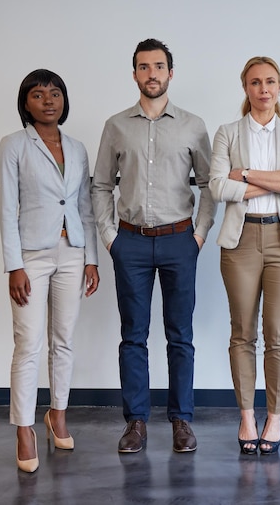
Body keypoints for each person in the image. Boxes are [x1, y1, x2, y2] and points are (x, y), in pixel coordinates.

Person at [91, 39, 215, 454]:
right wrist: (110, 238)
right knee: (134, 336)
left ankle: (181, 420)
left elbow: (208, 186)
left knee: (181, 336)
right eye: (144, 67)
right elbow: (102, 185)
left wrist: (198, 236)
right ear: (134, 75)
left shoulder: (193, 125)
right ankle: (136, 422)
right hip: (131, 244)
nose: (152, 74)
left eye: (158, 66)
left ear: (170, 73)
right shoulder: (116, 125)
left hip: (180, 240)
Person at [0, 69, 99, 472]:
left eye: (54, 94)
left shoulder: (77, 148)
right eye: (38, 95)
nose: (48, 101)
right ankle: (24, 428)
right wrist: (14, 265)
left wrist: (90, 257)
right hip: (31, 256)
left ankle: (57, 413)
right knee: (28, 344)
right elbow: (6, 209)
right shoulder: (13, 146)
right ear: (26, 103)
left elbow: (85, 207)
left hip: (72, 251)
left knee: (64, 340)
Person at [209, 56, 280, 455]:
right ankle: (247, 415)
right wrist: (276, 179)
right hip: (241, 241)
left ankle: (274, 416)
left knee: (279, 335)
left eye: (270, 82)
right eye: (255, 82)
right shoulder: (227, 133)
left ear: (279, 87)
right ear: (245, 88)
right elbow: (219, 188)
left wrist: (246, 174)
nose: (263, 89)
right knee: (242, 333)